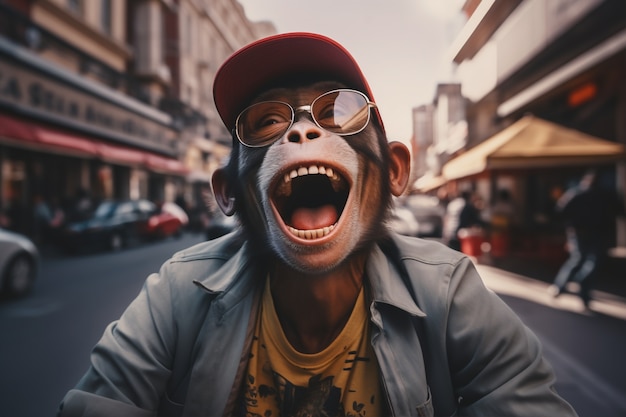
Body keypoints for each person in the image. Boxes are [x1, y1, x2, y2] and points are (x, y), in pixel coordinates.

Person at [58, 33, 577, 417]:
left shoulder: (446, 290)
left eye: (340, 111)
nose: (303, 129)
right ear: (231, 191)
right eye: (265, 121)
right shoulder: (178, 292)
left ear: (393, 169)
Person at [549, 170, 625, 307]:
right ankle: (565, 287)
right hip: (583, 232)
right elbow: (561, 212)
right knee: (582, 260)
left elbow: (619, 211)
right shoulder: (577, 194)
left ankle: (580, 290)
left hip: (595, 233)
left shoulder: (601, 195)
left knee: (589, 262)